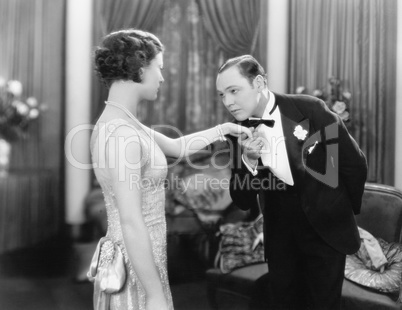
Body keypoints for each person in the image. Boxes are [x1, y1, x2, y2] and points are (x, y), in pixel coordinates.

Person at [89, 29, 252, 310]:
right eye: (159, 68)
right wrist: (154, 295)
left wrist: (223, 130)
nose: (162, 78)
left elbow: (177, 147)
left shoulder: (122, 121)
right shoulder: (122, 134)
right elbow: (130, 220)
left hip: (143, 257)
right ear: (140, 66)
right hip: (136, 268)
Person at [216, 55, 368, 310]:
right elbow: (241, 200)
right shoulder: (237, 132)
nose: (228, 102)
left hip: (325, 231)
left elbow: (354, 165)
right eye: (222, 95)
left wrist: (340, 211)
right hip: (280, 236)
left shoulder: (311, 110)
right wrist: (248, 160)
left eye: (233, 90)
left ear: (259, 83)